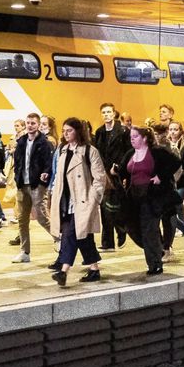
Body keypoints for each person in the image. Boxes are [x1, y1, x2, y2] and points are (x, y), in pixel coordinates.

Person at [49, 117, 107, 286]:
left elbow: (100, 177)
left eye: (69, 130)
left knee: (71, 234)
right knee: (83, 236)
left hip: (82, 201)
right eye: (64, 130)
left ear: (78, 131)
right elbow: (59, 176)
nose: (66, 134)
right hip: (65, 201)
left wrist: (94, 198)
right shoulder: (63, 150)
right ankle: (94, 269)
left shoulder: (89, 151)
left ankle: (63, 271)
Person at [120, 125, 178, 274]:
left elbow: (175, 162)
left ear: (144, 138)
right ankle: (157, 250)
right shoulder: (130, 154)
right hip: (134, 197)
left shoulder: (156, 152)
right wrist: (118, 173)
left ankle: (155, 264)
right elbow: (122, 170)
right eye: (131, 137)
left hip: (151, 196)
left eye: (135, 137)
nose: (132, 139)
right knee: (132, 228)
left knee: (149, 229)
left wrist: (160, 176)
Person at [10, 112, 53, 264]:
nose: (30, 125)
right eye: (28, 123)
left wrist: (45, 175)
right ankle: (24, 251)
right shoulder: (21, 141)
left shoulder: (44, 143)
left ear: (38, 125)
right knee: (22, 219)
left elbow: (48, 163)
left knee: (42, 216)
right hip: (23, 184)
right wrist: (17, 178)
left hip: (37, 185)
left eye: (33, 123)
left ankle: (58, 238)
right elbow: (18, 162)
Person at [93, 103, 130, 250]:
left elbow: (129, 152)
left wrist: (121, 169)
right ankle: (107, 243)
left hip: (118, 174)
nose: (106, 114)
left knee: (117, 207)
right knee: (104, 208)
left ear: (114, 113)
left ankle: (122, 231)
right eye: (104, 112)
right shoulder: (99, 132)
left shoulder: (123, 131)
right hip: (104, 175)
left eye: (109, 112)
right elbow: (97, 153)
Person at [161, 121, 184, 255]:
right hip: (169, 184)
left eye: (176, 129)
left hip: (181, 183)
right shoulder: (165, 146)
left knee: (171, 211)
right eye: (171, 129)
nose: (173, 132)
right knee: (171, 214)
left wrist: (181, 173)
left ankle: (168, 246)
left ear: (181, 131)